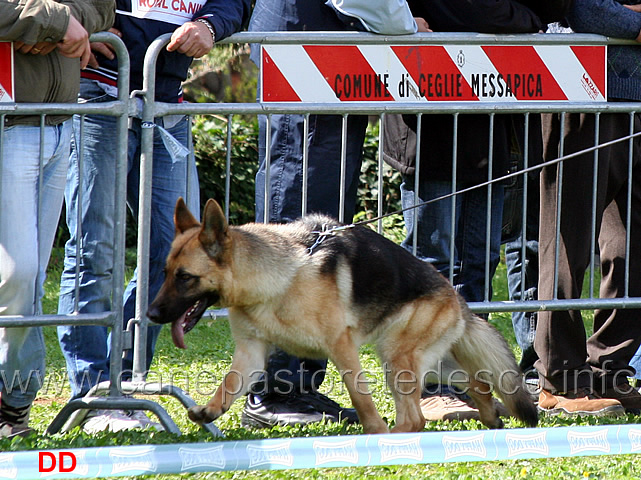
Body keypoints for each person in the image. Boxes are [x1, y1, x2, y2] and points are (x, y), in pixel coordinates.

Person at [56, 0, 250, 433]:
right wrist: (94, 21)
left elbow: (235, 3)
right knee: (95, 247)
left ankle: (123, 380)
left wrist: (210, 25)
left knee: (175, 252)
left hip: (166, 105)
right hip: (99, 98)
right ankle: (90, 391)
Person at [382, 0, 570, 422]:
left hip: (487, 125)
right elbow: (477, 12)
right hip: (429, 122)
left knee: (480, 261)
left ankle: (471, 381)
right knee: (434, 260)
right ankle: (430, 386)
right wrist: (534, 18)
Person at [241, 0, 422, 429]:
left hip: (317, 64)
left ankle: (295, 385)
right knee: (300, 237)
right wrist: (408, 25)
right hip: (306, 64)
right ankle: (274, 390)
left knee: (318, 239)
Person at [0, 0, 114, 437]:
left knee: (28, 284)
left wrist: (61, 22)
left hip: (59, 123)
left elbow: (105, 7)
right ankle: (13, 396)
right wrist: (53, 21)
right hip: (7, 122)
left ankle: (14, 403)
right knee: (18, 273)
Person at [535, 0, 641, 417]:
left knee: (631, 247)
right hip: (581, 89)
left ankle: (610, 370)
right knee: (567, 243)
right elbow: (585, 9)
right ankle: (559, 379)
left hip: (629, 100)